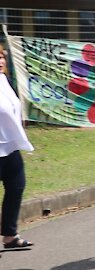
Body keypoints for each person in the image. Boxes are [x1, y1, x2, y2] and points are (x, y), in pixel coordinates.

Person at [0, 45, 35, 250]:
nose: (1, 61)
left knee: (16, 186)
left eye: (2, 56)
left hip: (9, 146)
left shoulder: (4, 80)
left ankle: (10, 235)